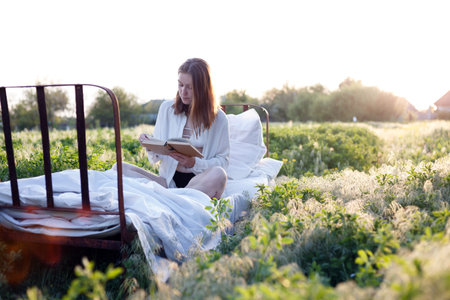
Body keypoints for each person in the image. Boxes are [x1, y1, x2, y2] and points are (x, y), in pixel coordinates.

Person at [139, 58, 230, 199]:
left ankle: (174, 200)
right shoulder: (166, 109)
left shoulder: (219, 119)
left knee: (219, 174)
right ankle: (174, 199)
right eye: (180, 85)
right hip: (167, 182)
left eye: (190, 87)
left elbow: (223, 162)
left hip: (200, 182)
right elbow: (156, 156)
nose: (183, 92)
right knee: (119, 168)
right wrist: (149, 144)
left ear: (203, 88)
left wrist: (194, 163)